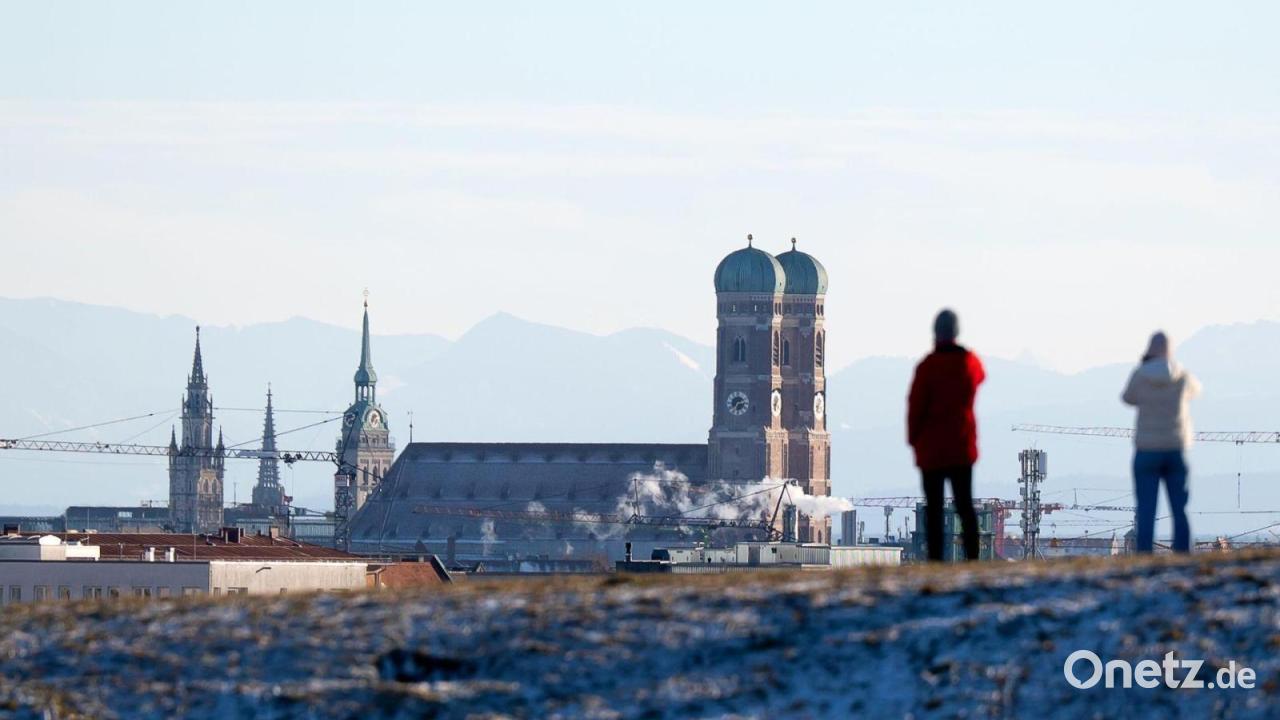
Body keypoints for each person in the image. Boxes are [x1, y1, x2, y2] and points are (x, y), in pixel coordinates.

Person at [907, 309, 986, 561]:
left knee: (934, 510)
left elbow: (915, 407)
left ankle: (936, 560)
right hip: (962, 446)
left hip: (932, 449)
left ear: (935, 333)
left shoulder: (927, 367)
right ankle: (972, 558)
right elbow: (980, 375)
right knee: (964, 504)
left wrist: (914, 440)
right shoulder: (968, 362)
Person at [1122, 331, 1201, 553]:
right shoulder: (1182, 375)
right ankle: (1183, 551)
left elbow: (1127, 397)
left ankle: (1145, 552)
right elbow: (1196, 391)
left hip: (1147, 449)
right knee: (1179, 507)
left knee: (1146, 507)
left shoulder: (1140, 375)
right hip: (1176, 447)